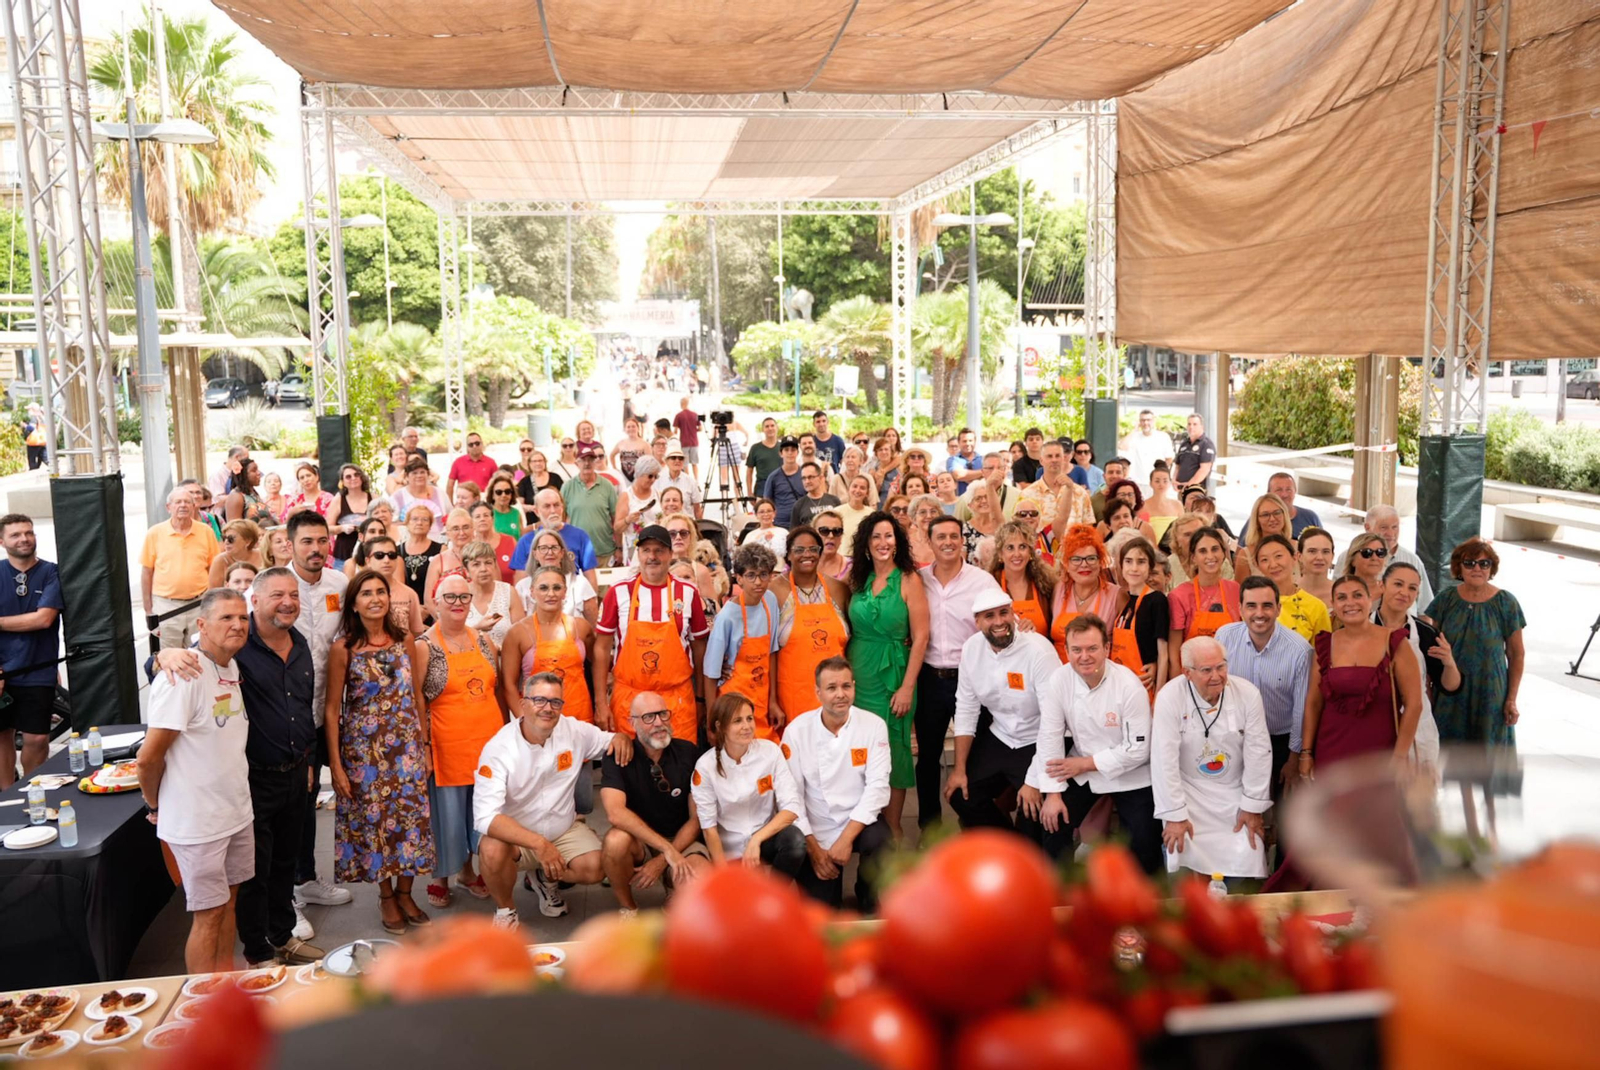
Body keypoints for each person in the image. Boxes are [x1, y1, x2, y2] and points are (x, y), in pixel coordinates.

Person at [139, 588, 254, 972]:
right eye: (226, 618)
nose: (238, 625)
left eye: (242, 617)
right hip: (198, 822)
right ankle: (201, 1009)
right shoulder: (182, 675)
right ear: (201, 625)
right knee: (207, 916)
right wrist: (155, 806)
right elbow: (148, 757)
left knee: (228, 906)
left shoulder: (230, 665)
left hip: (235, 812)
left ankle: (223, 993)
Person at [475, 673, 631, 929]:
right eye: (539, 700)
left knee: (595, 868)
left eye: (555, 702)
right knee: (491, 849)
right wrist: (538, 844)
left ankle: (543, 877)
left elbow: (610, 740)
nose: (548, 708)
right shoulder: (498, 748)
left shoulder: (573, 730)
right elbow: (485, 817)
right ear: (523, 704)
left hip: (562, 830)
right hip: (518, 839)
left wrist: (622, 738)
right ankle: (506, 911)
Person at [326, 569, 434, 933]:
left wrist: (425, 746)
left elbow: (417, 695)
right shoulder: (343, 648)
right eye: (367, 593)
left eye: (381, 592)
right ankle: (386, 896)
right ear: (353, 604)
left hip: (405, 748)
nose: (376, 598)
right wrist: (337, 767)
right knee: (376, 826)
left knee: (409, 823)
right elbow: (331, 711)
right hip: (364, 753)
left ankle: (407, 892)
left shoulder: (404, 639)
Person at [1033, 615, 1163, 873]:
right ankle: (1061, 895)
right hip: (1081, 769)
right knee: (1052, 821)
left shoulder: (1129, 685)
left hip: (1131, 773)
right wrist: (1053, 793)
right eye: (1077, 650)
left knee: (1144, 836)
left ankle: (1146, 900)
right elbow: (1049, 736)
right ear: (1067, 651)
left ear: (1106, 649)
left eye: (1092, 648)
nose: (1085, 656)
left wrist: (1087, 764)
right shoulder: (1059, 680)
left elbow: (1138, 749)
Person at [1151, 637, 1274, 880]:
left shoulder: (1247, 694)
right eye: (1206, 670)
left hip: (1234, 796)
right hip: (1188, 793)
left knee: (1249, 853)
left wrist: (1251, 807)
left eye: (1221, 667)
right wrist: (1175, 815)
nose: (1216, 676)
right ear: (1187, 672)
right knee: (1181, 855)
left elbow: (1259, 752)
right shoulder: (1169, 697)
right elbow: (1163, 760)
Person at [418, 574, 506, 909]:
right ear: (436, 602)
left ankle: (467, 873)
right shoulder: (424, 645)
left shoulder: (483, 640)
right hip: (446, 744)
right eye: (450, 597)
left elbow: (495, 689)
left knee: (478, 812)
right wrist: (424, 747)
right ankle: (440, 877)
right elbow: (417, 701)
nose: (458, 603)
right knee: (447, 815)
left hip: (486, 743)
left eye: (464, 597)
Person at [945, 589, 1060, 842]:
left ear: (1013, 613)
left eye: (1004, 613)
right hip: (1001, 735)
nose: (999, 622)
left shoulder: (1039, 651)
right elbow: (966, 707)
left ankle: (1026, 852)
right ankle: (1010, 847)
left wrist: (1033, 780)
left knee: (1034, 812)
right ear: (977, 622)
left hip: (1039, 738)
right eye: (989, 616)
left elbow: (1054, 722)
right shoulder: (971, 649)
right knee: (959, 794)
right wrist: (959, 769)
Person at [285, 512, 355, 919]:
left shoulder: (339, 584)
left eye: (321, 541)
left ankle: (306, 878)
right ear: (290, 544)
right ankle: (286, 893)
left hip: (325, 710)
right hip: (286, 715)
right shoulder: (275, 586)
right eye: (307, 541)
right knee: (288, 802)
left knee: (310, 798)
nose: (315, 549)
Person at [782, 658, 892, 910]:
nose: (840, 695)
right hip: (814, 825)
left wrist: (846, 839)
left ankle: (868, 895)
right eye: (831, 688)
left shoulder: (873, 726)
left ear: (854, 687)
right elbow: (791, 797)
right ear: (817, 692)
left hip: (858, 821)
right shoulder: (797, 731)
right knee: (823, 914)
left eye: (846, 686)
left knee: (882, 841)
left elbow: (877, 788)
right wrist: (814, 849)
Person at [1295, 575, 1425, 785]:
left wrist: (1400, 756)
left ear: (1369, 599)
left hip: (1381, 753)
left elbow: (1414, 705)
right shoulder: (1325, 644)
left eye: (1357, 595)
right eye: (1342, 597)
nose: (1350, 603)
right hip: (1331, 751)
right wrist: (1306, 752)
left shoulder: (1395, 642)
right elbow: (1313, 703)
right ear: (1334, 604)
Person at [847, 512, 928, 838]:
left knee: (893, 748)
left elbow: (921, 637)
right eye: (876, 537)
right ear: (866, 544)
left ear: (898, 542)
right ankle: (867, 824)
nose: (883, 543)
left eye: (889, 536)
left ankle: (893, 830)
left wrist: (907, 687)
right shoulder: (859, 580)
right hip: (859, 674)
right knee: (862, 750)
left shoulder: (909, 580)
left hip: (894, 675)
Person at [593, 525, 709, 738]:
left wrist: (701, 699)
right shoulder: (618, 592)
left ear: (670, 554)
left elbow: (700, 649)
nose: (652, 556)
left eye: (659, 550)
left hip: (678, 702)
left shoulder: (689, 592)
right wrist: (601, 703)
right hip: (630, 702)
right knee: (631, 765)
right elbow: (601, 649)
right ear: (638, 554)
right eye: (646, 550)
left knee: (679, 768)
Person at [600, 691, 712, 914]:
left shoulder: (689, 752)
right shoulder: (617, 755)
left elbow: (696, 819)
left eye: (663, 714)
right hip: (640, 840)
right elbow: (615, 813)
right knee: (615, 841)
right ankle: (628, 908)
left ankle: (675, 891)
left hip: (682, 840)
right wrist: (665, 851)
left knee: (701, 885)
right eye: (649, 717)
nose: (659, 723)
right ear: (633, 723)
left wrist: (664, 858)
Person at [1423, 539, 1524, 757]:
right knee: (1450, 752)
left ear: (1491, 568)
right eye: (1469, 563)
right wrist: (1429, 684)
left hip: (1491, 692)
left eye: (1484, 563)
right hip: (1451, 688)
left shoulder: (1506, 603)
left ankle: (1488, 793)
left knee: (1489, 754)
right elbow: (1432, 646)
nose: (1477, 568)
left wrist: (1511, 699)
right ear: (1459, 567)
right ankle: (1463, 793)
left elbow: (1516, 654)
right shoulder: (1446, 599)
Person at [1215, 577, 1311, 802]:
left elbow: (1301, 710)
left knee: (1286, 812)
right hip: (1235, 736)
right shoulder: (1224, 637)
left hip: (1281, 740)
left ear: (1278, 609)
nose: (1259, 613)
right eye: (1251, 606)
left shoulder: (1300, 651)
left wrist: (1294, 758)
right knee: (1235, 806)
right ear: (1239, 609)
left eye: (1267, 605)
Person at [692, 692, 806, 876]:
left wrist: (757, 840)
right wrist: (723, 876)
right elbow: (709, 828)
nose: (746, 726)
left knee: (795, 841)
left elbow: (791, 808)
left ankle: (774, 894)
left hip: (765, 840)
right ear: (720, 727)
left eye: (749, 718)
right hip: (728, 848)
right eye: (737, 721)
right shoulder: (705, 767)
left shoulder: (770, 752)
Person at [1373, 560, 1454, 772]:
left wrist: (1449, 663)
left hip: (1419, 729)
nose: (1404, 593)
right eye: (1398, 584)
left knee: (1416, 801)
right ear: (1382, 585)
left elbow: (1450, 686)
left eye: (1412, 588)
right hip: (1373, 724)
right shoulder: (1363, 627)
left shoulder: (1426, 634)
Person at [0, 515, 61, 790]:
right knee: (2, 737)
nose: (24, 538)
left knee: (37, 738)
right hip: (2, 671)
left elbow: (44, 619)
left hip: (38, 669)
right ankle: (7, 798)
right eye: (15, 535)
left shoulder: (52, 572)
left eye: (28, 533)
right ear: (2, 542)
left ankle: (32, 792)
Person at [770, 526, 851, 727]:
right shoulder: (774, 592)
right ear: (788, 554)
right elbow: (767, 650)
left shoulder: (838, 589)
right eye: (799, 550)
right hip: (792, 696)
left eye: (813, 549)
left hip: (837, 696)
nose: (807, 555)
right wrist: (771, 700)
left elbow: (855, 638)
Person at [705, 542, 782, 740]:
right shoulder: (727, 617)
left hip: (762, 699)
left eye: (764, 574)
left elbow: (772, 653)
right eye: (751, 575)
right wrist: (711, 722)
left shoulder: (770, 600)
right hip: (733, 704)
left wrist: (773, 701)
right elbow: (711, 673)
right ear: (738, 578)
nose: (758, 582)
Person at [502, 564, 595, 721]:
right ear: (532, 592)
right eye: (543, 588)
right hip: (539, 719)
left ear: (565, 592)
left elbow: (596, 666)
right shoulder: (517, 633)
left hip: (580, 717)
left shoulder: (581, 627)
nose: (550, 594)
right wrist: (526, 721)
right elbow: (509, 686)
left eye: (557, 588)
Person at [142, 486, 221, 649]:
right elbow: (147, 572)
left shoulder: (206, 531)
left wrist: (214, 604)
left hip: (199, 603)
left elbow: (215, 568)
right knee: (170, 657)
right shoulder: (155, 533)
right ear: (168, 507)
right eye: (178, 502)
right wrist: (149, 610)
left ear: (194, 507)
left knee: (200, 653)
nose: (183, 505)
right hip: (166, 606)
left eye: (187, 502)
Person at [1167, 527, 1242, 678]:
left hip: (1231, 673)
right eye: (1202, 551)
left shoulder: (1236, 590)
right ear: (1193, 557)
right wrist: (1177, 687)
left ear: (1223, 553)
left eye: (1215, 549)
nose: (1210, 556)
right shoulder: (1179, 595)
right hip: (1194, 677)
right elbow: (1174, 654)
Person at [1332, 505, 1434, 610]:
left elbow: (1424, 607)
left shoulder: (1413, 560)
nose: (1390, 533)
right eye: (1383, 527)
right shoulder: (1345, 556)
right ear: (1367, 527)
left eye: (1395, 527)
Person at [1049, 525, 1120, 663]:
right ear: (1066, 565)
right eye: (1076, 559)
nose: (1084, 565)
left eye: (1091, 558)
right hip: (1058, 674)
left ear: (1100, 562)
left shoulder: (1116, 595)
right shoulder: (1058, 590)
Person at [1111, 536, 1170, 699]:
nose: (1134, 568)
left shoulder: (1157, 600)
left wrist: (1159, 695)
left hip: (1143, 688)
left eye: (1141, 561)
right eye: (1128, 561)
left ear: (1150, 567)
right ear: (1121, 566)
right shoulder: (1126, 600)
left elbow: (1163, 654)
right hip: (1119, 686)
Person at [512, 488, 599, 592]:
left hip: (572, 597)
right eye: (547, 506)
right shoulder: (526, 541)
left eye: (556, 505)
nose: (553, 510)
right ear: (536, 511)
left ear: (562, 507)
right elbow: (520, 584)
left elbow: (590, 577)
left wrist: (592, 601)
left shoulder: (580, 536)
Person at [1251, 533, 1331, 642]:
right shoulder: (1251, 603)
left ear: (1294, 558)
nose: (1273, 564)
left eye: (1278, 556)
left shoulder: (1316, 607)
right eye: (1265, 560)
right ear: (1257, 566)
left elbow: (1323, 654)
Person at [515, 530, 598, 625]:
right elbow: (520, 626)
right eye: (543, 548)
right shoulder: (522, 586)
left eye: (554, 548)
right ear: (535, 554)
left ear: (562, 553)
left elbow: (593, 625)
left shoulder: (580, 583)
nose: (550, 552)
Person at [989, 519, 1054, 637]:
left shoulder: (1046, 585)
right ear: (1000, 554)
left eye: (1022, 547)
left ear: (1030, 552)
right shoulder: (990, 584)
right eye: (1010, 548)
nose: (1017, 554)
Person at [561, 445, 620, 567]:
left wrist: (619, 548)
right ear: (577, 463)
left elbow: (616, 518)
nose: (587, 463)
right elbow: (561, 519)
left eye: (590, 459)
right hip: (576, 551)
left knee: (605, 586)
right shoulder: (568, 487)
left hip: (604, 550)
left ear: (595, 462)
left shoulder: (607, 485)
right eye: (583, 460)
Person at [463, 540, 523, 646]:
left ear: (495, 565)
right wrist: (477, 628)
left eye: (488, 563)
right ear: (466, 571)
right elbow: (450, 638)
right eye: (476, 564)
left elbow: (521, 636)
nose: (483, 569)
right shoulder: (459, 595)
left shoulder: (509, 592)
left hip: (505, 659)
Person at [422, 508, 474, 619]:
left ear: (473, 529)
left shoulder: (485, 557)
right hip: (446, 622)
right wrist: (446, 622)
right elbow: (428, 600)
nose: (461, 533)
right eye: (455, 528)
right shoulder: (438, 561)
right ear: (448, 533)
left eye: (466, 527)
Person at [614, 455, 665, 565]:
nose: (653, 480)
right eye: (650, 476)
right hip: (635, 548)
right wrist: (628, 519)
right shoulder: (627, 496)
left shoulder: (658, 494)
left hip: (656, 546)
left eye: (656, 477)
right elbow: (617, 528)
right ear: (639, 474)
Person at [1233, 494, 1295, 581]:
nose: (1272, 519)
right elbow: (1239, 592)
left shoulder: (1298, 548)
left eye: (1277, 513)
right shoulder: (1246, 555)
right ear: (1257, 519)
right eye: (1265, 515)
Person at [393, 458, 450, 538]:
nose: (419, 476)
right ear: (407, 476)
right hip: (410, 541)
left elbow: (451, 515)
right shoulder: (397, 497)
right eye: (414, 473)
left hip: (440, 540)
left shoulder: (440, 493)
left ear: (428, 474)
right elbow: (392, 523)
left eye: (422, 472)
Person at [329, 466, 374, 563]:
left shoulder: (374, 497)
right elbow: (328, 528)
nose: (353, 478)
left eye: (356, 475)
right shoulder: (338, 500)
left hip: (370, 553)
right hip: (344, 555)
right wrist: (342, 528)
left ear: (362, 477)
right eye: (348, 476)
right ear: (342, 482)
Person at [1120, 409, 1173, 490]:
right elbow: (1122, 446)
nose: (1145, 423)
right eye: (1143, 420)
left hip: (1156, 483)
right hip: (1138, 482)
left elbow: (1169, 459)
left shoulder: (1163, 437)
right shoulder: (1135, 436)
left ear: (1154, 421)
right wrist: (1134, 429)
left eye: (1148, 420)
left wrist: (1160, 475)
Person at [399, 505, 441, 607]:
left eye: (425, 519)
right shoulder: (396, 550)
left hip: (432, 607)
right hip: (405, 606)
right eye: (415, 519)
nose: (419, 523)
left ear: (430, 525)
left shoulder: (440, 550)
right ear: (407, 523)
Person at [467, 501, 517, 584]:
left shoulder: (510, 541)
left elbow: (520, 571)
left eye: (486, 515)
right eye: (477, 517)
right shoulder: (468, 547)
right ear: (471, 522)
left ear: (493, 519)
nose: (482, 519)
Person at [760, 437, 805, 528]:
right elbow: (767, 503)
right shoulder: (773, 477)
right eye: (786, 450)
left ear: (798, 453)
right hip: (781, 524)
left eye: (793, 450)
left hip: (803, 523)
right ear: (781, 453)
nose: (790, 453)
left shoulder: (805, 474)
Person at [1263, 472, 1323, 539]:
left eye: (1289, 490)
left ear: (1295, 492)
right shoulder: (1258, 521)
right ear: (1269, 494)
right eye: (1279, 490)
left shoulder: (1311, 517)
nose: (1284, 495)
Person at [207, 519, 264, 589]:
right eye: (224, 538)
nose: (226, 542)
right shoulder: (220, 560)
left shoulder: (263, 556)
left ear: (247, 541)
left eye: (231, 539)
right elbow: (213, 593)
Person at [654, 446, 704, 519]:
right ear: (666, 461)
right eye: (673, 458)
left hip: (686, 524)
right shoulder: (658, 481)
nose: (677, 460)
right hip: (665, 524)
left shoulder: (691, 481)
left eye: (680, 458)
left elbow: (697, 510)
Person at [446, 433, 499, 501]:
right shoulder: (458, 462)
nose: (474, 446)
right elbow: (450, 485)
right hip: (464, 502)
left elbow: (498, 484)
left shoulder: (491, 462)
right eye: (471, 444)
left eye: (477, 443)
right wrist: (450, 505)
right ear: (467, 447)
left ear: (482, 444)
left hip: (484, 501)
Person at [1143, 462, 1184, 546]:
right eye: (1157, 481)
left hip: (1174, 550)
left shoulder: (1177, 505)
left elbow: (1183, 530)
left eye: (1165, 481)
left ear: (1170, 483)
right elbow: (1143, 532)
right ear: (1151, 483)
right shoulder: (1143, 506)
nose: (1161, 484)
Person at [791, 462, 842, 529]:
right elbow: (794, 532)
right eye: (804, 478)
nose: (807, 481)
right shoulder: (799, 505)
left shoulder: (834, 500)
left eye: (810, 477)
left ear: (821, 478)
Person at [1174, 413, 1217, 492]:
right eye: (1189, 424)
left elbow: (1204, 469)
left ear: (1202, 427)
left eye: (1195, 424)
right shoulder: (1184, 444)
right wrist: (1174, 481)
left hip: (1196, 491)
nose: (1191, 427)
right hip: (1181, 490)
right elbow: (1177, 466)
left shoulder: (1206, 444)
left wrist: (1189, 485)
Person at [1341, 531, 1390, 598]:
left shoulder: (1389, 592)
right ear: (1352, 560)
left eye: (1380, 552)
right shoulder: (1339, 591)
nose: (1374, 558)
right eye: (1367, 552)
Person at [1297, 525, 1337, 608]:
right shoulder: (1286, 591)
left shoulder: (1340, 593)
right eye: (1312, 551)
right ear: (1299, 556)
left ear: (1332, 556)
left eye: (1325, 552)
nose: (1319, 557)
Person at [744, 417, 785, 495]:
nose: (770, 428)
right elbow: (749, 471)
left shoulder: (784, 447)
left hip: (781, 485)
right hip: (762, 487)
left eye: (772, 426)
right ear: (762, 429)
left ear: (777, 428)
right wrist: (749, 492)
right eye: (767, 426)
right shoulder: (755, 448)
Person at [835, 474, 877, 549]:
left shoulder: (872, 514)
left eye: (862, 488)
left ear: (867, 493)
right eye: (854, 486)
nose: (857, 490)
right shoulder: (836, 512)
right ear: (848, 489)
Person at [904, 494, 945, 569]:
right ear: (913, 518)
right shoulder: (905, 543)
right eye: (923, 512)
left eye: (933, 511)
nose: (929, 516)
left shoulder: (946, 542)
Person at [484, 472, 524, 542]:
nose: (503, 495)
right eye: (499, 492)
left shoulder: (516, 513)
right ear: (492, 495)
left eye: (507, 491)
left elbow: (521, 538)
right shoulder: (487, 514)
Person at [610, 417, 651, 483]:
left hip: (639, 477)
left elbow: (650, 462)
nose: (631, 429)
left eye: (633, 426)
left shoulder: (645, 444)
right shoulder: (621, 443)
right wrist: (615, 469)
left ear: (638, 428)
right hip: (624, 477)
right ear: (625, 429)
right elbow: (612, 455)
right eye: (628, 427)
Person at [671, 398, 703, 479]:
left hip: (684, 442)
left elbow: (675, 431)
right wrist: (693, 429)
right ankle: (696, 480)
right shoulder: (695, 415)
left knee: (685, 465)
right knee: (694, 463)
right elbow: (700, 428)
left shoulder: (679, 415)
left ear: (681, 404)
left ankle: (688, 480)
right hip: (694, 442)